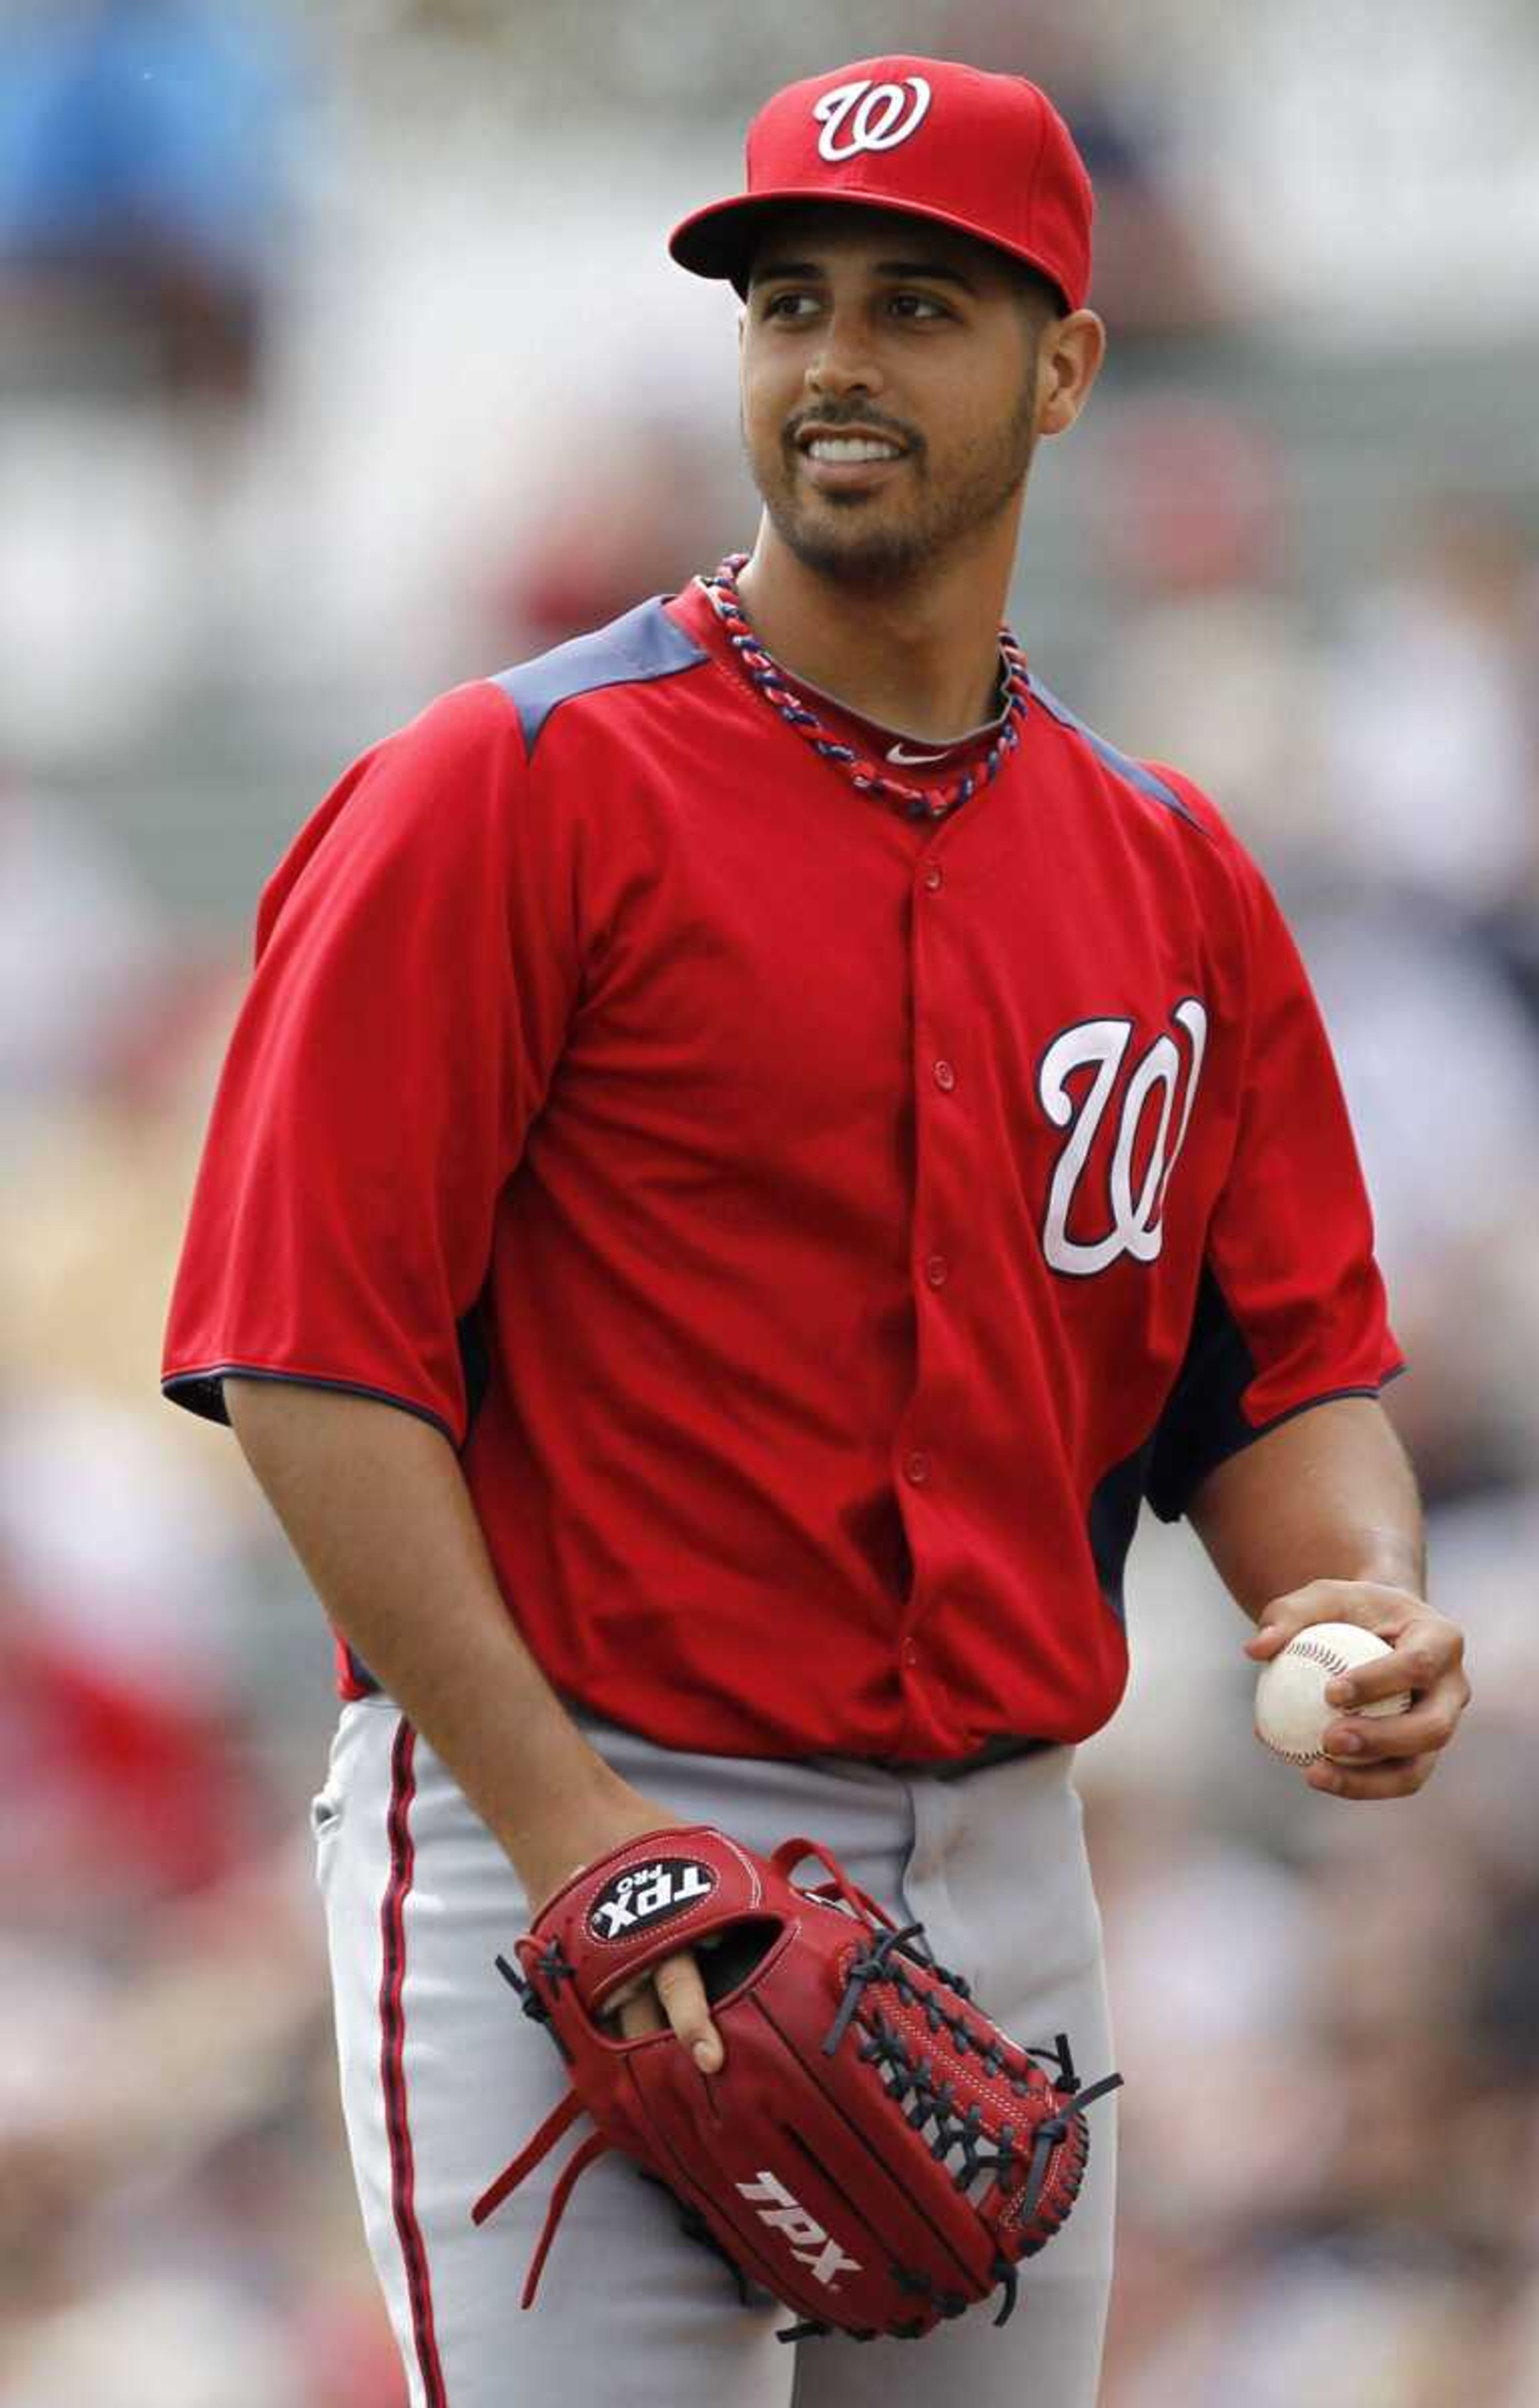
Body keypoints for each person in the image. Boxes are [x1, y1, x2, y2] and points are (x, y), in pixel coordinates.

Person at [161, 53, 1471, 2408]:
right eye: (787, 304)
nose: (836, 359)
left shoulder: (1168, 868)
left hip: (994, 1864)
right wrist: (586, 1839)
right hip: (560, 1813)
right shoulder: (511, 788)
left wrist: (1344, 1587)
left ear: (1068, 361)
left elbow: (1274, 1378)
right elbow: (307, 1360)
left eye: (915, 303)